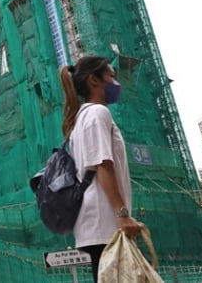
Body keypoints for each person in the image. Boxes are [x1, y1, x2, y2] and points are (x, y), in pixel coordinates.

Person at [59, 56, 142, 281]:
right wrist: (122, 215)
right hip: (104, 222)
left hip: (96, 223)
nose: (116, 84)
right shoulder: (97, 113)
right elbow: (103, 165)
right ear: (94, 81)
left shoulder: (82, 118)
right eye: (111, 77)